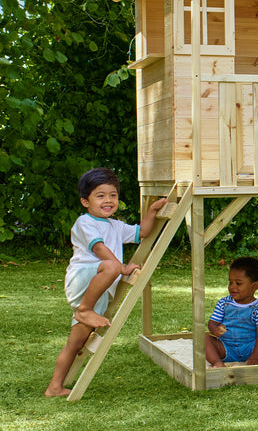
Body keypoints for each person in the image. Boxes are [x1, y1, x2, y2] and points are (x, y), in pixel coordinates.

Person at [45, 168, 168, 397]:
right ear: (85, 201)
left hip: (99, 293)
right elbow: (100, 250)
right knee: (111, 265)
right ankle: (84, 310)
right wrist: (121, 268)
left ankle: (54, 387)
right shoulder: (84, 223)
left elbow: (142, 232)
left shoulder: (115, 225)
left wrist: (152, 211)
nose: (108, 200)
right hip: (82, 281)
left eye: (113, 195)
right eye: (100, 195)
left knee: (76, 343)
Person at [205, 257, 258, 368]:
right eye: (230, 282)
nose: (232, 287)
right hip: (226, 348)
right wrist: (215, 330)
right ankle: (217, 362)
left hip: (252, 347)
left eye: (238, 283)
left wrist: (256, 354)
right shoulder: (223, 303)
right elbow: (212, 322)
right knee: (204, 339)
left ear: (254, 286)